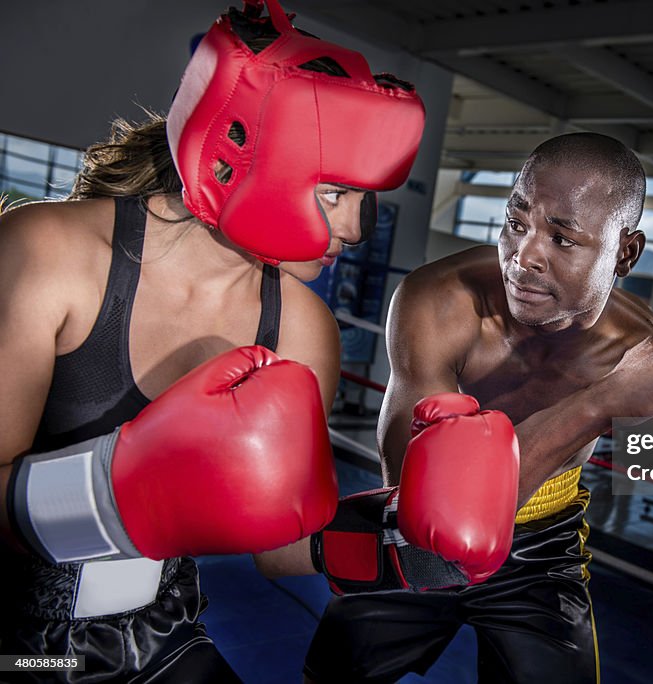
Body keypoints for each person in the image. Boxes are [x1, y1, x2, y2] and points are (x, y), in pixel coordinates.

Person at [0, 0, 430, 680]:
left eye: (364, 197)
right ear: (247, 160)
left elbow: (280, 546)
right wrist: (120, 494)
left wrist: (400, 537)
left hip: (160, 634)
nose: (354, 228)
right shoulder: (52, 253)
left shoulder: (297, 325)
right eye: (334, 194)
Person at [300, 132, 653, 683]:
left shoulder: (649, 363)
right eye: (516, 223)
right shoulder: (442, 300)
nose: (525, 257)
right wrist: (600, 403)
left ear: (625, 252)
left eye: (563, 238)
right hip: (410, 540)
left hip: (540, 553)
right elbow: (422, 517)